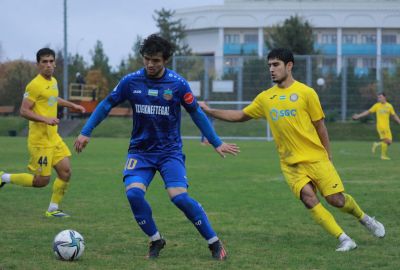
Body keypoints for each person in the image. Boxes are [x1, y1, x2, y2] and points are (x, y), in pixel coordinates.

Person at [199, 48, 385, 252]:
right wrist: (209, 110)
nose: (271, 69)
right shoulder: (265, 98)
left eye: (276, 64)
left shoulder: (306, 93)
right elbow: (240, 115)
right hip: (290, 164)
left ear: (289, 66)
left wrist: (328, 155)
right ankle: (344, 239)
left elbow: (320, 126)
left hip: (316, 158)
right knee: (308, 198)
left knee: (336, 200)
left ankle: (364, 218)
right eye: (269, 65)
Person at [73, 34, 239, 260]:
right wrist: (86, 131)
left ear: (166, 60)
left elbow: (196, 113)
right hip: (140, 152)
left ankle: (214, 242)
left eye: (156, 61)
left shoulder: (178, 84)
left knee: (179, 197)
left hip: (169, 152)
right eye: (147, 59)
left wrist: (216, 142)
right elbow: (106, 104)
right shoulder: (130, 82)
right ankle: (155, 239)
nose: (150, 64)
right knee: (133, 194)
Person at [0, 48, 86, 217]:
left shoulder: (53, 81)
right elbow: (24, 111)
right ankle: (4, 177)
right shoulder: (34, 85)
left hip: (53, 137)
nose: (48, 65)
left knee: (65, 172)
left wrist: (72, 105)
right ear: (38, 64)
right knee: (41, 181)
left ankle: (53, 209)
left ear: (55, 63)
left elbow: (52, 99)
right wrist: (45, 119)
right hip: (39, 140)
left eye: (51, 61)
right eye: (44, 62)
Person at [352, 93, 400, 160]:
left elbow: (394, 115)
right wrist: (358, 116)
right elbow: (368, 112)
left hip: (387, 127)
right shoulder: (377, 106)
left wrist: (399, 121)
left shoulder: (389, 106)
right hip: (381, 126)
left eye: (380, 97)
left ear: (384, 97)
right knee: (387, 141)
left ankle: (376, 144)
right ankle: (383, 156)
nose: (379, 99)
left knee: (389, 142)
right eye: (378, 97)